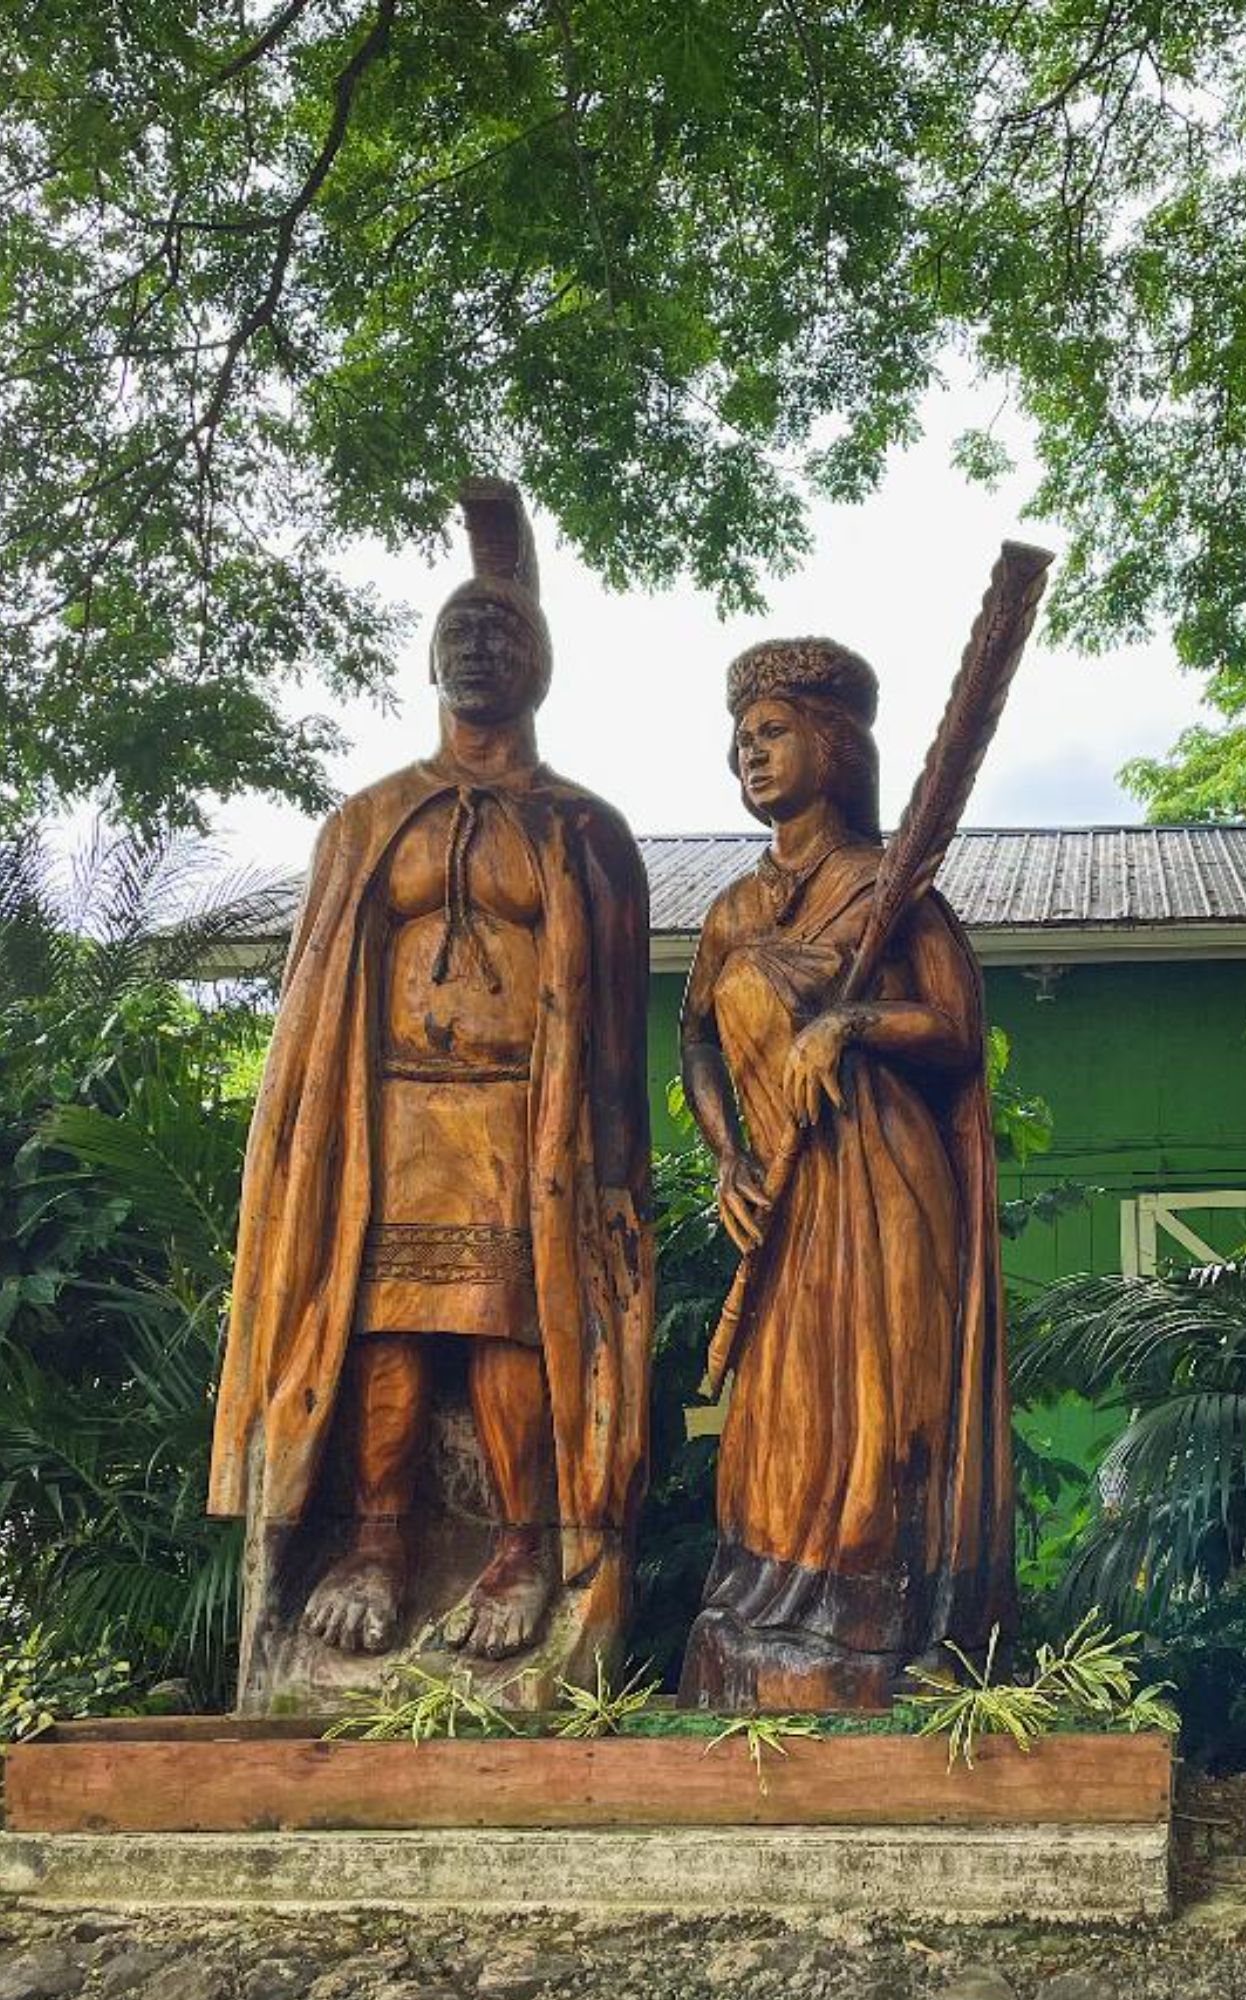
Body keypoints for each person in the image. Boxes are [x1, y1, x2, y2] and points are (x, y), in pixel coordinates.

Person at [209, 480, 651, 1689]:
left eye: (502, 629)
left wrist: (620, 1180)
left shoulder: (583, 829)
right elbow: (311, 1002)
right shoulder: (369, 822)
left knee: (512, 1329)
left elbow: (614, 1036)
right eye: (458, 630)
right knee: (385, 1329)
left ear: (541, 665)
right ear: (427, 660)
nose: (477, 645)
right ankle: (376, 1542)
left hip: (524, 1120)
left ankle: (521, 1546)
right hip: (388, 1117)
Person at [678, 637, 1012, 1710]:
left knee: (880, 1396)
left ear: (831, 742)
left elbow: (956, 1028)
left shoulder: (890, 889)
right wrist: (727, 1153)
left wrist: (852, 1024)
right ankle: (763, 1616)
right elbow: (693, 1040)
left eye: (772, 732)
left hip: (882, 1176)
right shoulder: (732, 909)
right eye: (740, 742)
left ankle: (879, 1619)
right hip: (784, 1191)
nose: (752, 756)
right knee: (782, 1410)